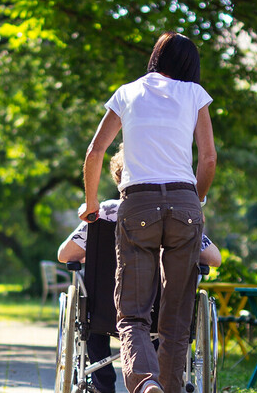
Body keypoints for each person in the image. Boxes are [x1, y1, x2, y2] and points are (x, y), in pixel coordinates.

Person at [80, 32, 216, 393]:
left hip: (137, 204)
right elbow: (209, 157)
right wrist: (195, 201)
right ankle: (169, 387)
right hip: (185, 205)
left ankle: (145, 384)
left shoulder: (127, 92)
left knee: (133, 314)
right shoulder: (195, 95)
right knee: (176, 316)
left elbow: (96, 152)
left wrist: (93, 204)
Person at [58, 150, 220, 393]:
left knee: (91, 310)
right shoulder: (175, 213)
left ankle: (104, 386)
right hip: (162, 311)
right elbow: (214, 259)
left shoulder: (101, 213)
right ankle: (159, 378)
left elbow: (64, 255)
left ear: (119, 178)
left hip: (107, 311)